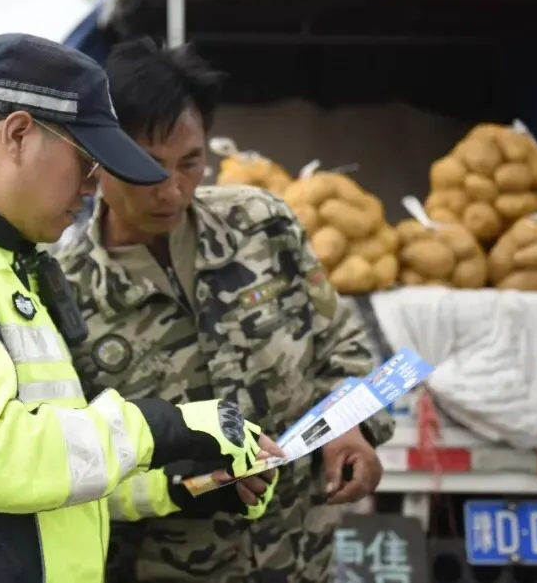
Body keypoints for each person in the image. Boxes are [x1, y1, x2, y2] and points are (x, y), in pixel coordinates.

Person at [0, 32, 285, 583]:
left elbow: (48, 466)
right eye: (86, 163)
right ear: (18, 133)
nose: (94, 187)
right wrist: (163, 429)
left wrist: (175, 486)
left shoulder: (4, 257)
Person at [52, 37, 397, 583]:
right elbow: (60, 465)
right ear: (100, 161)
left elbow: (344, 348)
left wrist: (353, 430)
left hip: (300, 562)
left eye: (191, 162)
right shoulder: (60, 291)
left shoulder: (263, 226)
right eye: (147, 166)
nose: (172, 189)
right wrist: (181, 485)